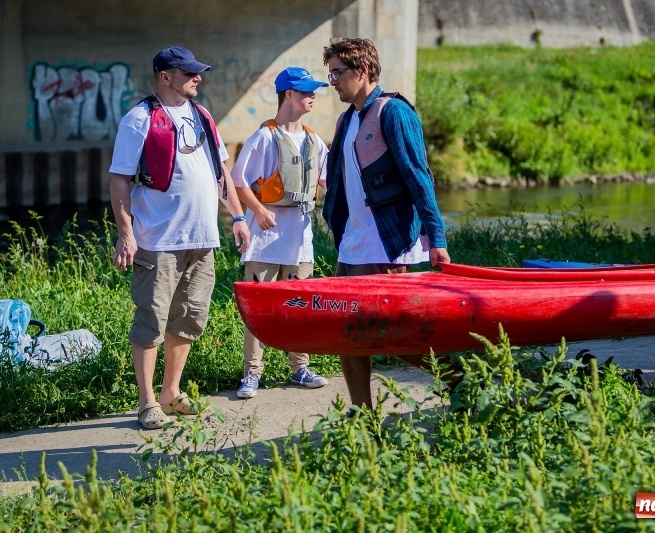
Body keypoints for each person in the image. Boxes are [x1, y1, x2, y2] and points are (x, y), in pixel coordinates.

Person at [109, 46, 250, 429]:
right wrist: (126, 234)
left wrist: (237, 216)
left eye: (197, 72)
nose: (197, 77)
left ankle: (171, 393)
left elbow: (221, 170)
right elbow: (119, 178)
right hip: (158, 241)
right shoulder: (139, 119)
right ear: (164, 77)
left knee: (189, 320)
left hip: (202, 240)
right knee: (151, 321)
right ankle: (147, 402)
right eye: (187, 73)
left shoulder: (202, 115)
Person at [321, 37, 455, 409]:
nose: (333, 82)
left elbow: (418, 176)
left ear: (363, 70)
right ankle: (362, 415)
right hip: (353, 245)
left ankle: (461, 382)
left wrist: (437, 236)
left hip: (388, 243)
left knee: (392, 335)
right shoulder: (346, 119)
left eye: (338, 73)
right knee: (346, 334)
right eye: (329, 74)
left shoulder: (393, 112)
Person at [230, 67, 330, 398]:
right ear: (289, 94)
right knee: (259, 309)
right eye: (306, 92)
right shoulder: (263, 138)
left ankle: (299, 368)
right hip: (265, 239)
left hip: (300, 238)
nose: (312, 96)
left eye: (313, 91)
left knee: (300, 307)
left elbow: (327, 182)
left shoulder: (315, 141)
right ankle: (251, 374)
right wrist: (258, 211)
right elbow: (237, 180)